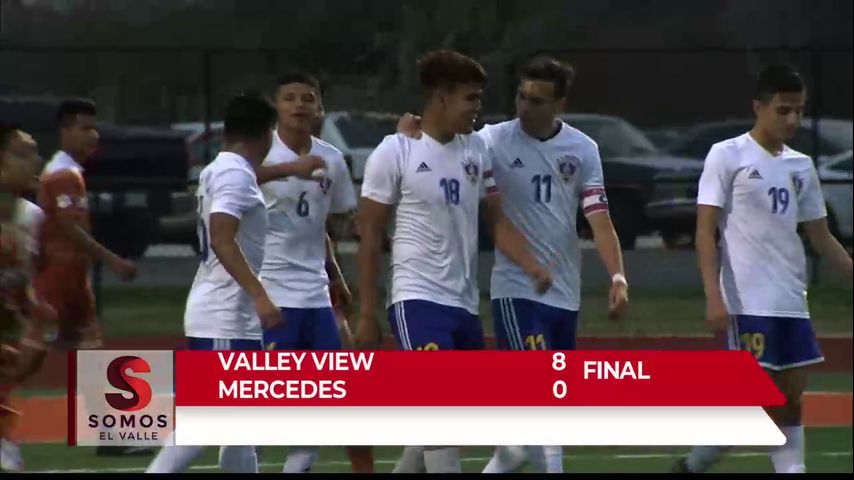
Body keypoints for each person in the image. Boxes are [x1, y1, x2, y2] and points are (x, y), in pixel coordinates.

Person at [396, 56, 629, 474]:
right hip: (515, 290)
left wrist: (617, 276)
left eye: (537, 100)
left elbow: (598, 218)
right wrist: (410, 133)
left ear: (560, 104)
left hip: (564, 294)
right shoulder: (491, 140)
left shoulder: (583, 149)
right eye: (521, 96)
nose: (525, 107)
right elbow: (442, 136)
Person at [355, 49, 553, 474]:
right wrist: (367, 312)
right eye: (470, 98)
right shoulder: (394, 151)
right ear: (441, 97)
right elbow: (369, 236)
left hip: (463, 305)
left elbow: (496, 222)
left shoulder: (476, 149)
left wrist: (532, 265)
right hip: (416, 300)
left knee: (446, 426)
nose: (477, 107)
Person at [672, 64, 853, 474]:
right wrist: (713, 296)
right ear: (759, 107)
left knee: (789, 399)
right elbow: (704, 232)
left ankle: (700, 466)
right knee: (755, 397)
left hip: (791, 299)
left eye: (799, 111)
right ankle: (699, 465)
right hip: (747, 300)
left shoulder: (801, 166)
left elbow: (821, 236)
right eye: (783, 110)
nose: (792, 119)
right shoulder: (727, 155)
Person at [146, 93, 281, 473]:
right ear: (265, 134)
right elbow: (223, 239)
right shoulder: (236, 174)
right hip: (225, 315)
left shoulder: (216, 170)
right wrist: (260, 295)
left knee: (241, 427)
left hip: (228, 314)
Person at [253, 72, 366, 473]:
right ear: (275, 106)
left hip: (315, 296)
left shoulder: (331, 159)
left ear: (320, 108)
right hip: (271, 291)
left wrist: (335, 275)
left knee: (322, 400)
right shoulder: (259, 154)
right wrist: (291, 169)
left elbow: (322, 227)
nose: (299, 105)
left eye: (308, 98)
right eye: (289, 98)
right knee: (265, 404)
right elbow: (228, 184)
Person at [34, 98, 143, 457]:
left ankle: (113, 436)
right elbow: (69, 228)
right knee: (26, 354)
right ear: (64, 131)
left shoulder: (68, 172)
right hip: (58, 282)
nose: (92, 135)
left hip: (69, 280)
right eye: (84, 128)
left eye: (94, 127)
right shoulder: (63, 175)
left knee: (87, 353)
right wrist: (113, 260)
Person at [0, 124, 55, 472]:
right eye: (22, 154)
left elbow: (25, 283)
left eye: (35, 153)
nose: (34, 161)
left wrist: (34, 312)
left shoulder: (32, 218)